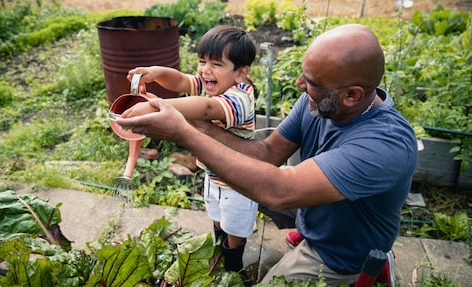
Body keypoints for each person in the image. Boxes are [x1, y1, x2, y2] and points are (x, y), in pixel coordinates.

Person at [116, 24, 418, 286]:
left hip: (339, 249)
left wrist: (181, 130)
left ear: (352, 95)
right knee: (242, 186)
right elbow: (265, 155)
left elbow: (278, 191)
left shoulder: (385, 144)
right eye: (304, 74)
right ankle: (295, 229)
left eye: (311, 83)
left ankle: (372, 266)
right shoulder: (318, 102)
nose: (300, 85)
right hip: (312, 207)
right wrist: (185, 120)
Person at [122, 25, 258, 274]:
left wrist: (156, 106)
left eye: (217, 64)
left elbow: (207, 108)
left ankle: (233, 265)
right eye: (202, 61)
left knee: (235, 227)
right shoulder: (211, 84)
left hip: (240, 181)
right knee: (217, 216)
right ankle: (219, 250)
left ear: (240, 73)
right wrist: (156, 73)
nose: (206, 70)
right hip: (213, 174)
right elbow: (182, 81)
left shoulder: (240, 98)